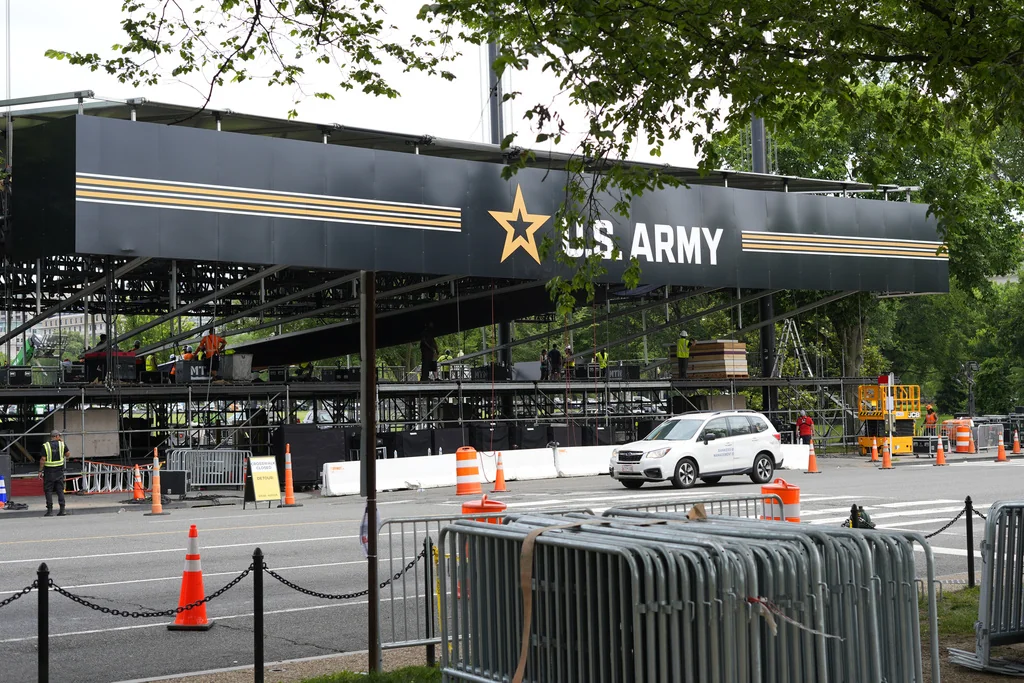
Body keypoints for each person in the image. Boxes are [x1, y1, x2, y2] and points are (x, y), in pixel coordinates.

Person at [38, 430, 70, 517]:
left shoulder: (46, 445)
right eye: (59, 436)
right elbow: (68, 454)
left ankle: (50, 511)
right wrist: (62, 444)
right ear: (56, 436)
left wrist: (40, 471)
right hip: (59, 471)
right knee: (60, 489)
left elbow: (43, 459)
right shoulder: (62, 444)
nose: (60, 437)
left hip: (49, 471)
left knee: (48, 490)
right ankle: (62, 510)